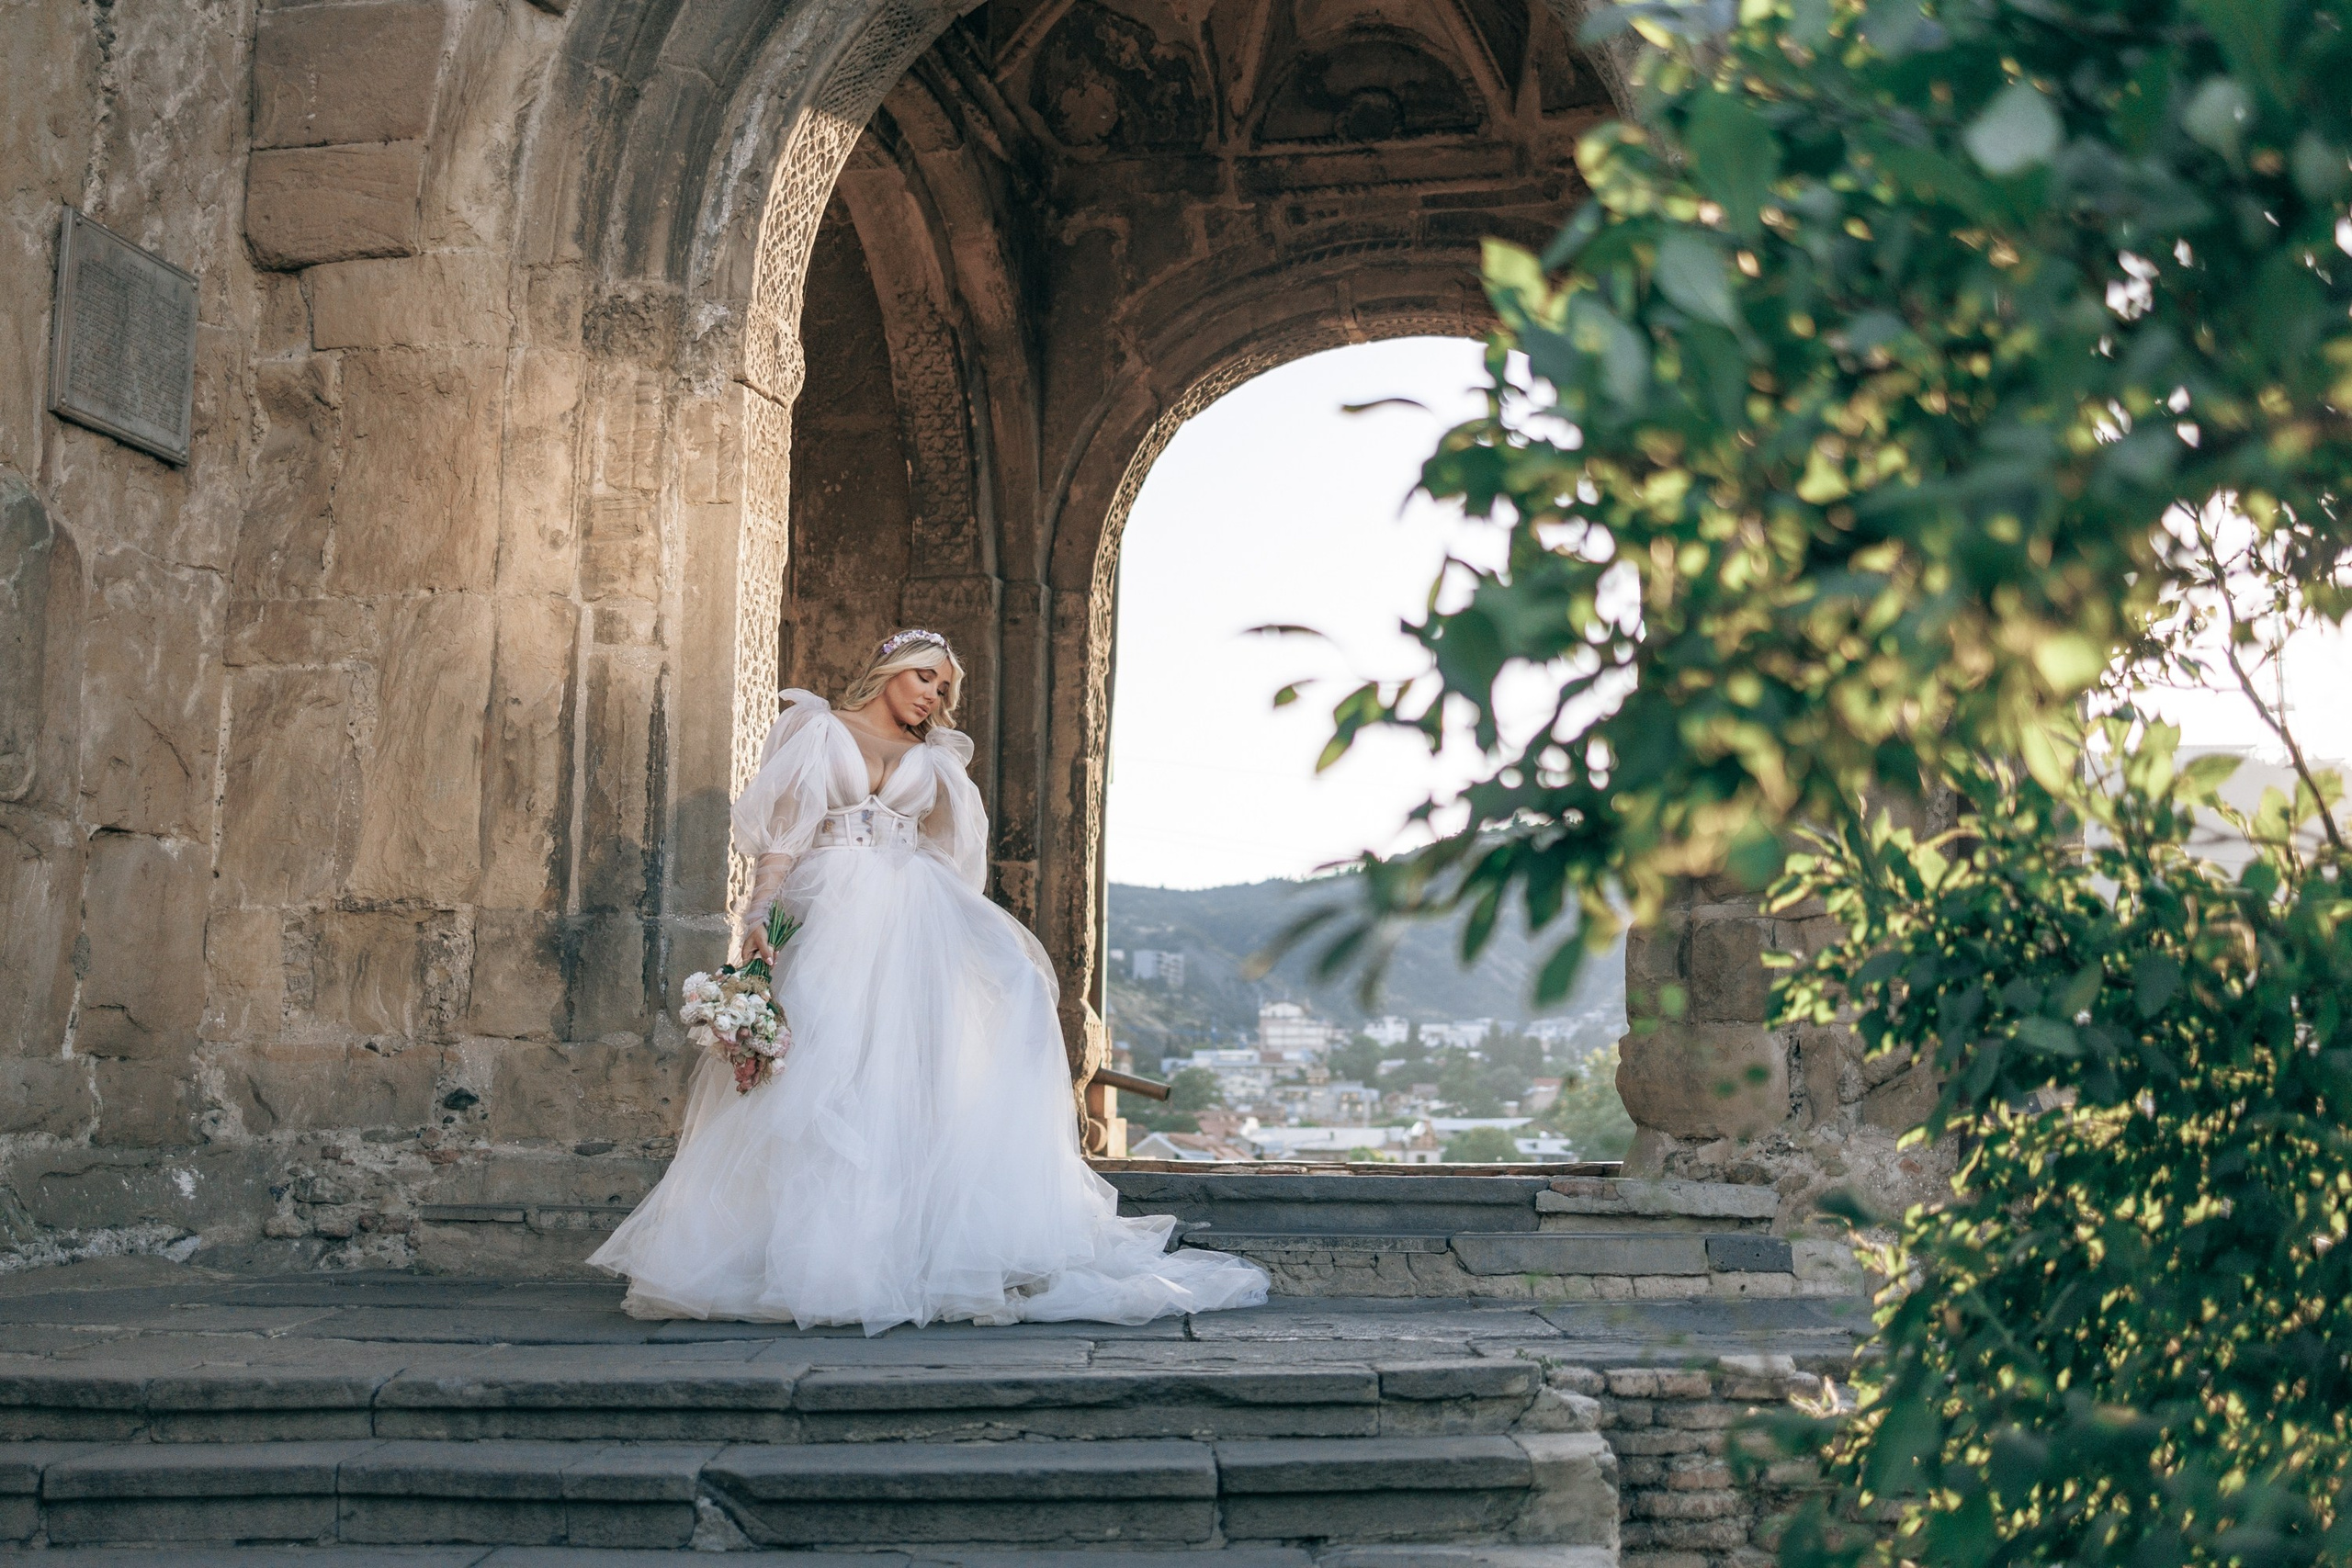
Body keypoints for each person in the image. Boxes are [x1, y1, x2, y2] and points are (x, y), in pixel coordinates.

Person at [589, 628, 1269, 1331]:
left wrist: (958, 931)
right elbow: (784, 836)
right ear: (891, 669)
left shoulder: (935, 757)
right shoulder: (820, 728)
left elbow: (952, 854)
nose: (933, 697)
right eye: (925, 680)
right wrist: (758, 915)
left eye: (943, 688)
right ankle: (817, 1255)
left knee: (930, 1055)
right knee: (822, 1072)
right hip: (832, 910)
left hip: (911, 914)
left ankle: (909, 1247)